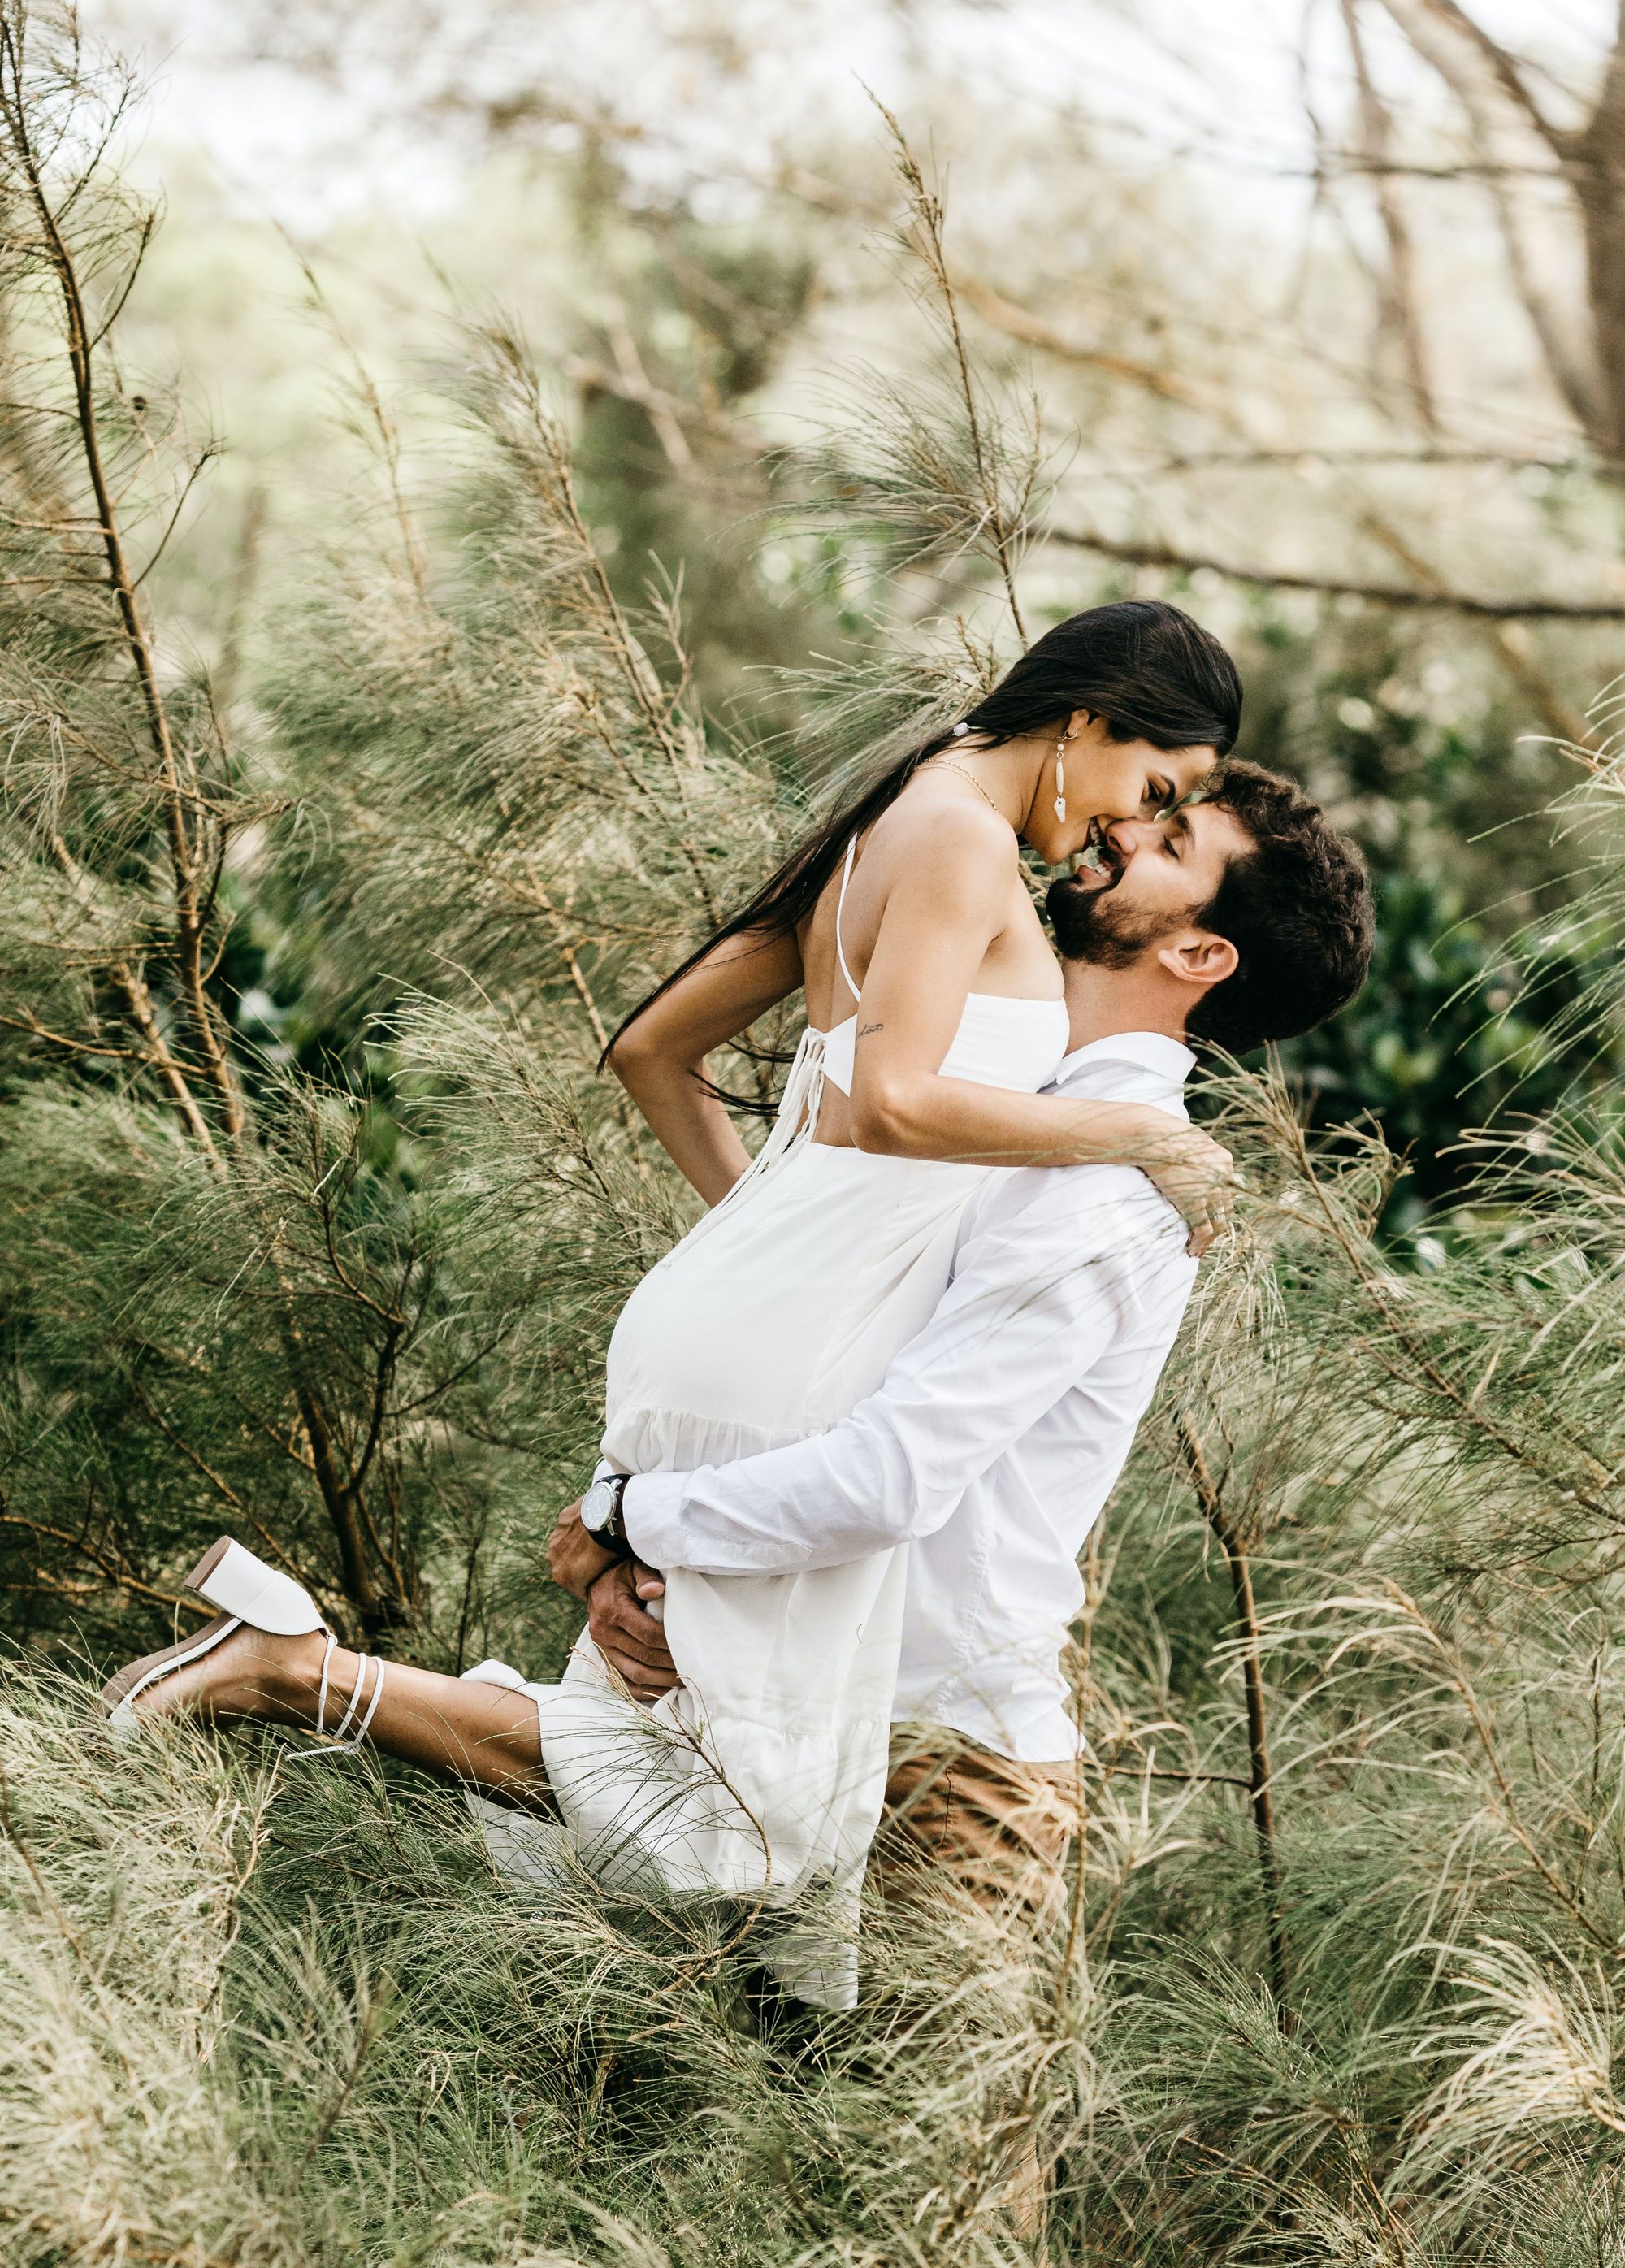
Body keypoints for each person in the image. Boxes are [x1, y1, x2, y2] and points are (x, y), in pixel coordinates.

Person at [102, 602, 1250, 1997]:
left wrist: (777, 1253)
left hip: (725, 1317)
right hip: (776, 1338)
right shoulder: (957, 839)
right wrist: (1143, 1137)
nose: (1130, 826)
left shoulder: (892, 819)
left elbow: (654, 1050)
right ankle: (296, 1672)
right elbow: (889, 1102)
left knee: (708, 1759)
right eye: (1155, 787)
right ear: (1086, 721)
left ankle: (312, 1677)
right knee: (751, 1813)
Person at [545, 758, 1373, 1958]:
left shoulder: (1120, 1196)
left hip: (948, 1781)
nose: (1116, 834)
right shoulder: (981, 1098)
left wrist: (632, 1514)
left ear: (1200, 955)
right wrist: (654, 1570)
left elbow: (890, 1481)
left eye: (1168, 838)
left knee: (925, 2150)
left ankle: (292, 1674)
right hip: (782, 1711)